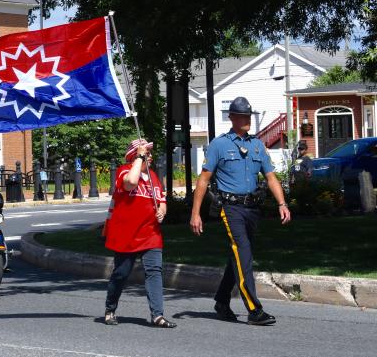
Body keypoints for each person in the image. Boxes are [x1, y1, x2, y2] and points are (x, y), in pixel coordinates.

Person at [191, 96, 291, 326]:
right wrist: (195, 213)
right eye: (242, 116)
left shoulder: (257, 145)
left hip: (252, 208)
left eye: (249, 116)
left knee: (238, 256)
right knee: (243, 252)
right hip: (230, 208)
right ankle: (255, 310)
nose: (247, 120)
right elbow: (203, 180)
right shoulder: (219, 144)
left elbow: (270, 177)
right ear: (232, 118)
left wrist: (282, 204)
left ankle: (221, 301)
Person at [103, 139, 175, 328]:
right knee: (121, 273)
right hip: (126, 234)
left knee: (154, 271)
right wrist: (139, 157)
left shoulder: (153, 177)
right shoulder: (124, 171)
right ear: (134, 156)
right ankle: (110, 309)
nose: (150, 156)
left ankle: (157, 315)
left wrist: (162, 212)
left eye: (149, 153)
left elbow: (162, 201)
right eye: (146, 153)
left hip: (151, 233)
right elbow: (131, 183)